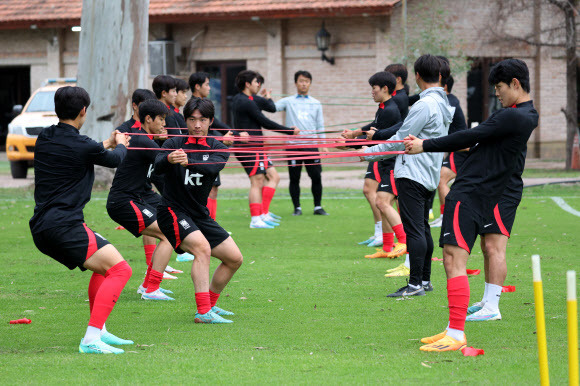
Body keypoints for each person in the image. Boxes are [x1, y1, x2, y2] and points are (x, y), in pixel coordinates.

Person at [404, 58, 538, 351]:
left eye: (499, 88)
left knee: (453, 260)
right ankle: (453, 329)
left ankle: (456, 333)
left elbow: (470, 134)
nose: (497, 94)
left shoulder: (513, 116)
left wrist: (424, 145)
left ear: (515, 84)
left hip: (470, 193)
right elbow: (476, 141)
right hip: (476, 193)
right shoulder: (523, 115)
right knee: (453, 259)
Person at [30, 86, 133, 354]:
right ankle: (90, 338)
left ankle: (100, 331)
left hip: (43, 226)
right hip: (63, 226)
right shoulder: (83, 144)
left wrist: (107, 143)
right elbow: (112, 160)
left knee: (105, 267)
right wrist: (120, 145)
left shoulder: (45, 138)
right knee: (121, 270)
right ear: (83, 111)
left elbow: (85, 151)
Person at [361, 55, 454, 298]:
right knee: (422, 227)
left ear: (418, 76)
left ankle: (415, 284)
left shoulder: (425, 105)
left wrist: (369, 153)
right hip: (429, 172)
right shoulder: (443, 103)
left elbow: (400, 139)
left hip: (414, 173)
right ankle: (423, 281)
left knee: (415, 230)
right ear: (441, 76)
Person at [154, 98, 240, 323]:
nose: (197, 125)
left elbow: (212, 167)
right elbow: (156, 167)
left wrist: (187, 163)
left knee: (234, 259)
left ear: (211, 121)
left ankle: (210, 304)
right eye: (192, 119)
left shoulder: (218, 147)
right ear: (186, 121)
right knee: (202, 249)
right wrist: (169, 159)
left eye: (202, 120)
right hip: (172, 211)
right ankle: (203, 312)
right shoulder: (173, 143)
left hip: (199, 213)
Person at [107, 99, 176, 301]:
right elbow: (166, 159)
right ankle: (151, 288)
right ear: (148, 119)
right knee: (168, 234)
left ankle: (147, 285)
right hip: (123, 202)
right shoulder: (142, 139)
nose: (164, 124)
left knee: (169, 229)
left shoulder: (144, 138)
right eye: (161, 119)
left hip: (134, 199)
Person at [342, 72, 406, 259]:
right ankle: (387, 247)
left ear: (385, 88)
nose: (372, 92)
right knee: (382, 203)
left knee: (382, 202)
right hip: (384, 162)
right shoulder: (384, 107)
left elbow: (378, 138)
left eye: (374, 88)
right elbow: (374, 128)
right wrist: (355, 135)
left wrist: (348, 144)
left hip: (393, 163)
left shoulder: (390, 110)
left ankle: (403, 242)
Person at [232, 70, 300, 228]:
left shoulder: (249, 98)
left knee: (273, 176)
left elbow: (271, 108)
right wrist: (289, 131)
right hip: (248, 147)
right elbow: (265, 121)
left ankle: (263, 213)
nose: (259, 85)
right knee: (257, 181)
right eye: (256, 82)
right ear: (248, 84)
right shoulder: (244, 101)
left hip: (257, 147)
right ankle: (255, 219)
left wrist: (267, 97)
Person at [275, 70, 328, 216]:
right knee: (294, 177)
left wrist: (323, 144)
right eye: (301, 81)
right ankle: (297, 207)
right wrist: (266, 99)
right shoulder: (288, 101)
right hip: (293, 146)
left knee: (316, 176)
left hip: (311, 146)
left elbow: (320, 125)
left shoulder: (316, 103)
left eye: (306, 81)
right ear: (296, 83)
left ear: (310, 83)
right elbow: (274, 108)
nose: (304, 83)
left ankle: (318, 206)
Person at [188, 72, 235, 222]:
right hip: (200, 151)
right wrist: (222, 138)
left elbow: (219, 124)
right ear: (197, 86)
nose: (209, 88)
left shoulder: (205, 105)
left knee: (213, 189)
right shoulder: (193, 107)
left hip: (210, 149)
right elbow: (196, 134)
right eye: (207, 84)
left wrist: (234, 133)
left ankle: (210, 223)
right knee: (205, 190)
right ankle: (205, 224)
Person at [430, 75, 469, 228]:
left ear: (444, 86)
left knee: (441, 179)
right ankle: (446, 215)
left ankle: (446, 216)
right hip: (455, 148)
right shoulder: (447, 101)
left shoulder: (450, 102)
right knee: (444, 181)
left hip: (461, 149)